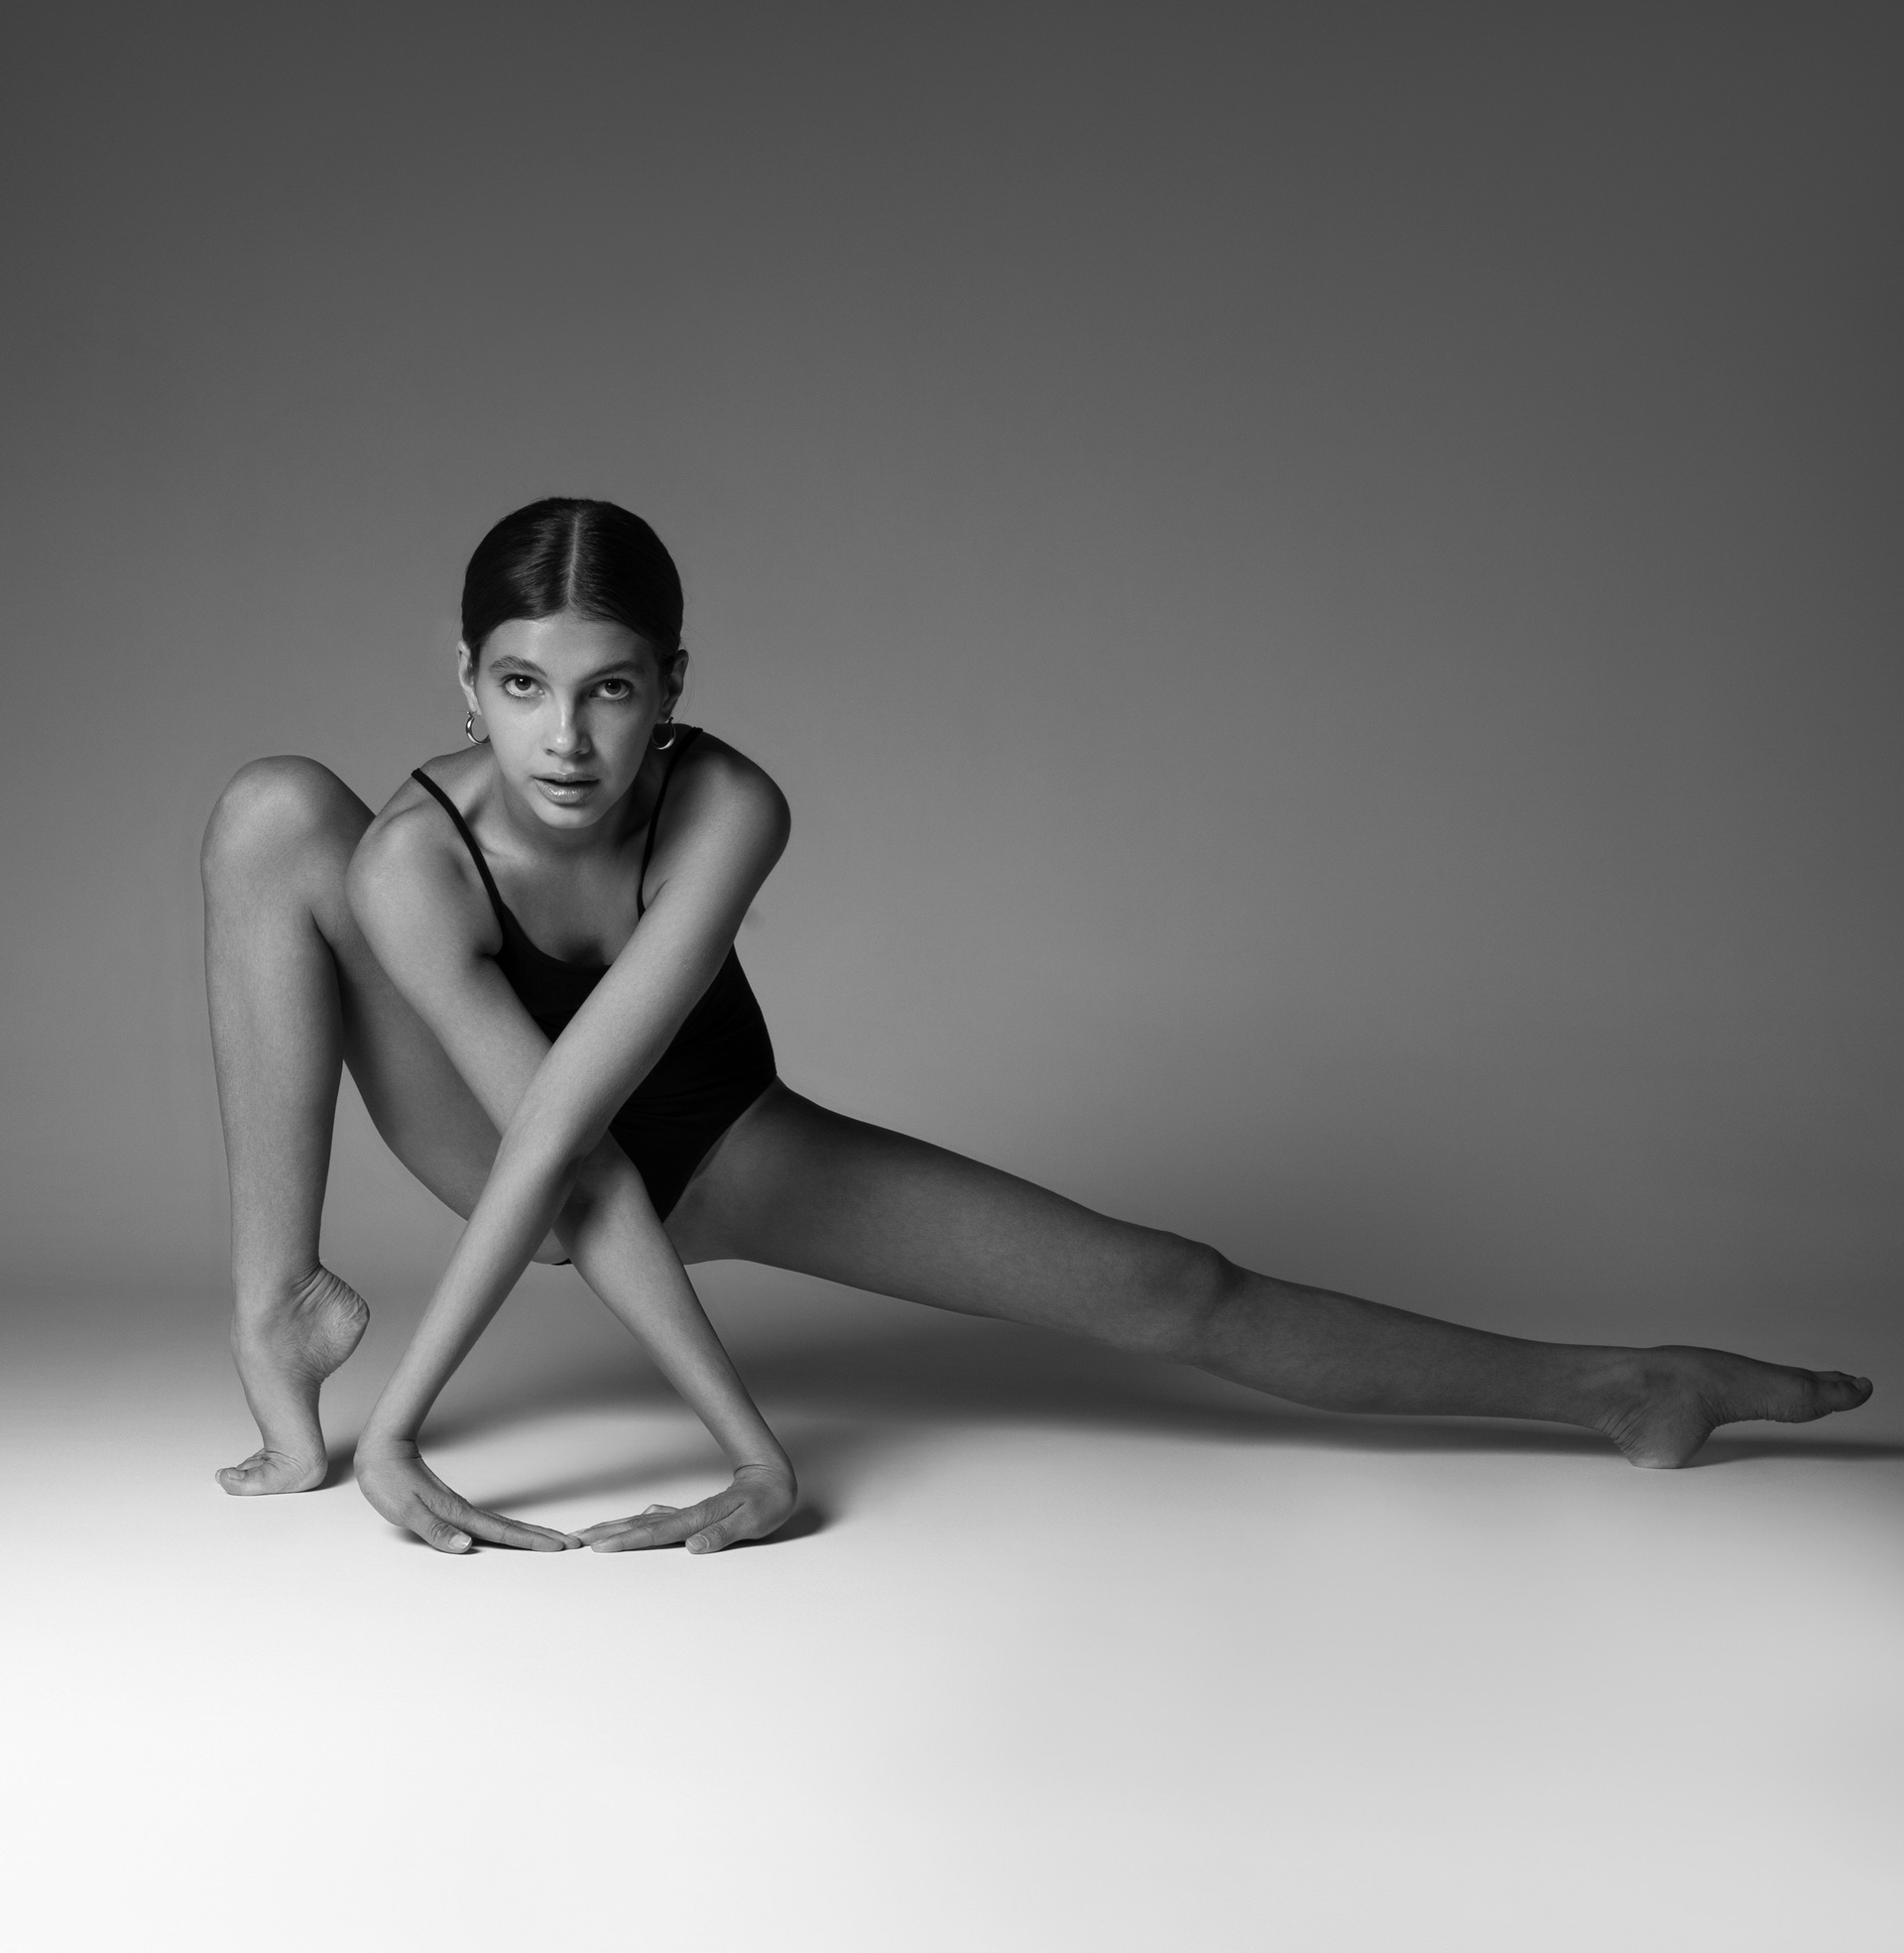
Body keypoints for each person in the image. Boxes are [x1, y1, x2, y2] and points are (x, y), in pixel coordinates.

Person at [199, 498, 1872, 1555]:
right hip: (507, 1151)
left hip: (722, 1139)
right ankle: (281, 1312)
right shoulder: (416, 859)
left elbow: (614, 1122)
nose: (565, 739)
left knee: (1177, 1284)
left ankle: (1621, 1388)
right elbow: (561, 1157)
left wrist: (746, 1459)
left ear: (675, 685)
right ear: (466, 676)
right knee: (277, 808)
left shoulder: (728, 803)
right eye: (522, 685)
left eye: (610, 687)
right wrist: (440, 1425)